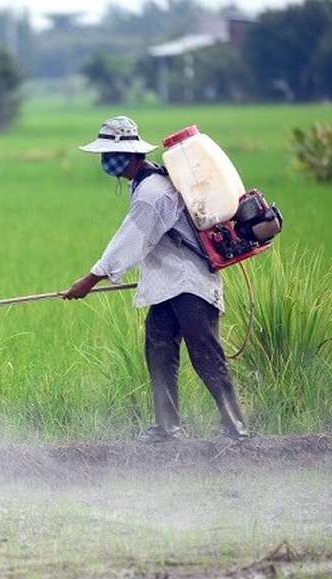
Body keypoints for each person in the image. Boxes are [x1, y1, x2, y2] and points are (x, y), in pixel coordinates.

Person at [62, 115, 249, 443]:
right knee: (159, 349)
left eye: (109, 154)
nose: (106, 161)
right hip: (169, 286)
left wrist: (89, 280)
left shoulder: (152, 192)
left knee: (205, 353)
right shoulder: (147, 183)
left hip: (189, 286)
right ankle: (167, 427)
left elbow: (131, 239)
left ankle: (236, 427)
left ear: (130, 155)